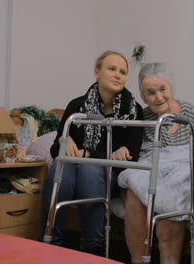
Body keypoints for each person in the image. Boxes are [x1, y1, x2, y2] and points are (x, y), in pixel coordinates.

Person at [122, 62, 194, 264]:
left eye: (162, 89)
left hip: (183, 171)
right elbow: (137, 150)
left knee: (172, 199)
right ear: (143, 96)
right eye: (150, 93)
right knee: (133, 191)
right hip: (156, 171)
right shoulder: (143, 116)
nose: (158, 97)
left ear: (171, 88)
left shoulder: (186, 110)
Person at [41, 50, 144, 256]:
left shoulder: (134, 111)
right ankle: (50, 244)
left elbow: (130, 156)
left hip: (107, 174)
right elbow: (55, 150)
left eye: (122, 72)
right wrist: (65, 140)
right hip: (73, 168)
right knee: (59, 167)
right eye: (112, 69)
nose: (117, 75)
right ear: (97, 72)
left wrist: (89, 154)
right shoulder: (76, 106)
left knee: (89, 169)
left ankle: (93, 248)